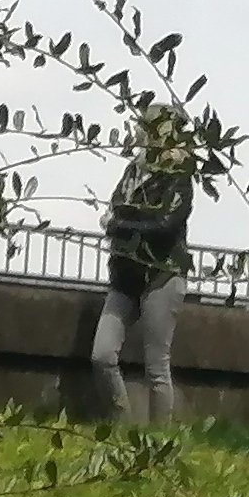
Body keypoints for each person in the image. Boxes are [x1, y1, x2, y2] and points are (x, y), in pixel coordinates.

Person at [91, 116, 205, 423]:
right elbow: (116, 206)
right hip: (125, 274)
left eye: (144, 128)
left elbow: (165, 226)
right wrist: (121, 223)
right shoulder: (133, 170)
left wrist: (119, 225)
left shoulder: (178, 178)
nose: (138, 133)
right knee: (102, 355)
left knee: (156, 366)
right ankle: (123, 426)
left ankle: (158, 438)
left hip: (161, 274)